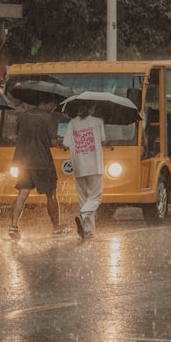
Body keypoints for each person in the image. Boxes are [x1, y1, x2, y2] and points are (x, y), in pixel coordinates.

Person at [8, 96, 71, 240]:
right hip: (42, 161)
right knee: (51, 194)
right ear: (46, 102)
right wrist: (58, 142)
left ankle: (13, 226)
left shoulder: (23, 116)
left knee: (22, 194)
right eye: (53, 105)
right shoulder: (48, 118)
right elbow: (53, 142)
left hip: (23, 160)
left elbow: (15, 136)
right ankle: (56, 227)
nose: (53, 108)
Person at [63, 100, 106, 239]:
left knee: (84, 199)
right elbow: (103, 140)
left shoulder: (72, 123)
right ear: (91, 107)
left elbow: (65, 143)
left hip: (79, 167)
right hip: (95, 165)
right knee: (95, 198)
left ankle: (88, 230)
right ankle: (82, 216)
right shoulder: (98, 122)